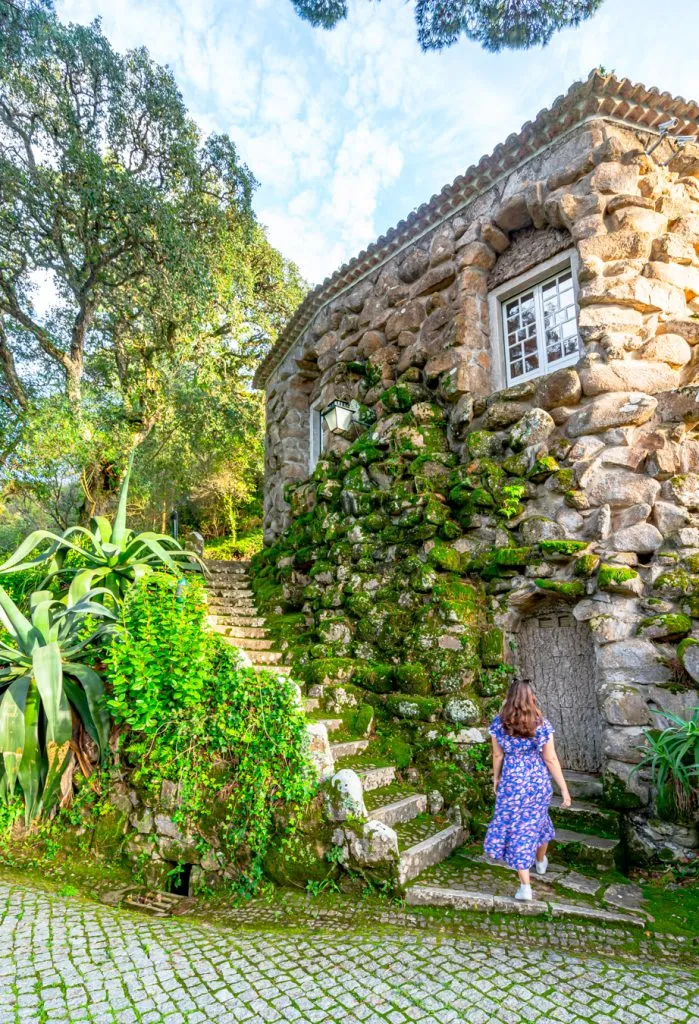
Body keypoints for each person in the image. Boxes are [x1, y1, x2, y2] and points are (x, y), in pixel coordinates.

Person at [484, 677, 571, 901]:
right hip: (537, 783)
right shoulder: (540, 723)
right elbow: (550, 758)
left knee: (517, 831)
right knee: (538, 822)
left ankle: (526, 886)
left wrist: (497, 778)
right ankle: (539, 863)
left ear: (510, 697)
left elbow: (497, 755)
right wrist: (564, 789)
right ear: (531, 697)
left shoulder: (499, 723)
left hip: (512, 783)